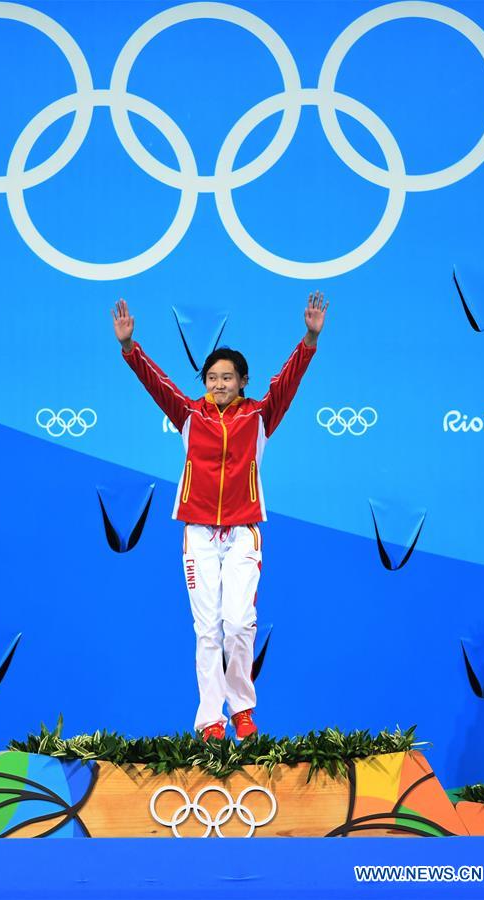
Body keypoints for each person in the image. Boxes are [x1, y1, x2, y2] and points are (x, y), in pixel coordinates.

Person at [112, 293, 328, 742]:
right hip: (198, 535)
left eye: (227, 377)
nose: (218, 383)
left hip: (244, 532)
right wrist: (131, 348)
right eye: (212, 377)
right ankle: (211, 718)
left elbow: (288, 382)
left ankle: (242, 708)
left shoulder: (260, 417)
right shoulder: (190, 415)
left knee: (239, 623)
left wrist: (309, 338)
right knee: (206, 628)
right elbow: (160, 386)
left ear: (243, 381)